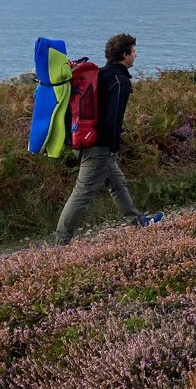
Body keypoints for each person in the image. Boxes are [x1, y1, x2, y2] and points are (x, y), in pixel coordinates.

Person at [53, 33, 163, 246]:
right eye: (134, 52)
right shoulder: (120, 82)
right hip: (99, 146)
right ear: (125, 54)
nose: (136, 56)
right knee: (82, 193)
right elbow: (114, 119)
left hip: (83, 138)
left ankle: (138, 221)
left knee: (117, 183)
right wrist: (114, 146)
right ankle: (61, 242)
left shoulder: (99, 75)